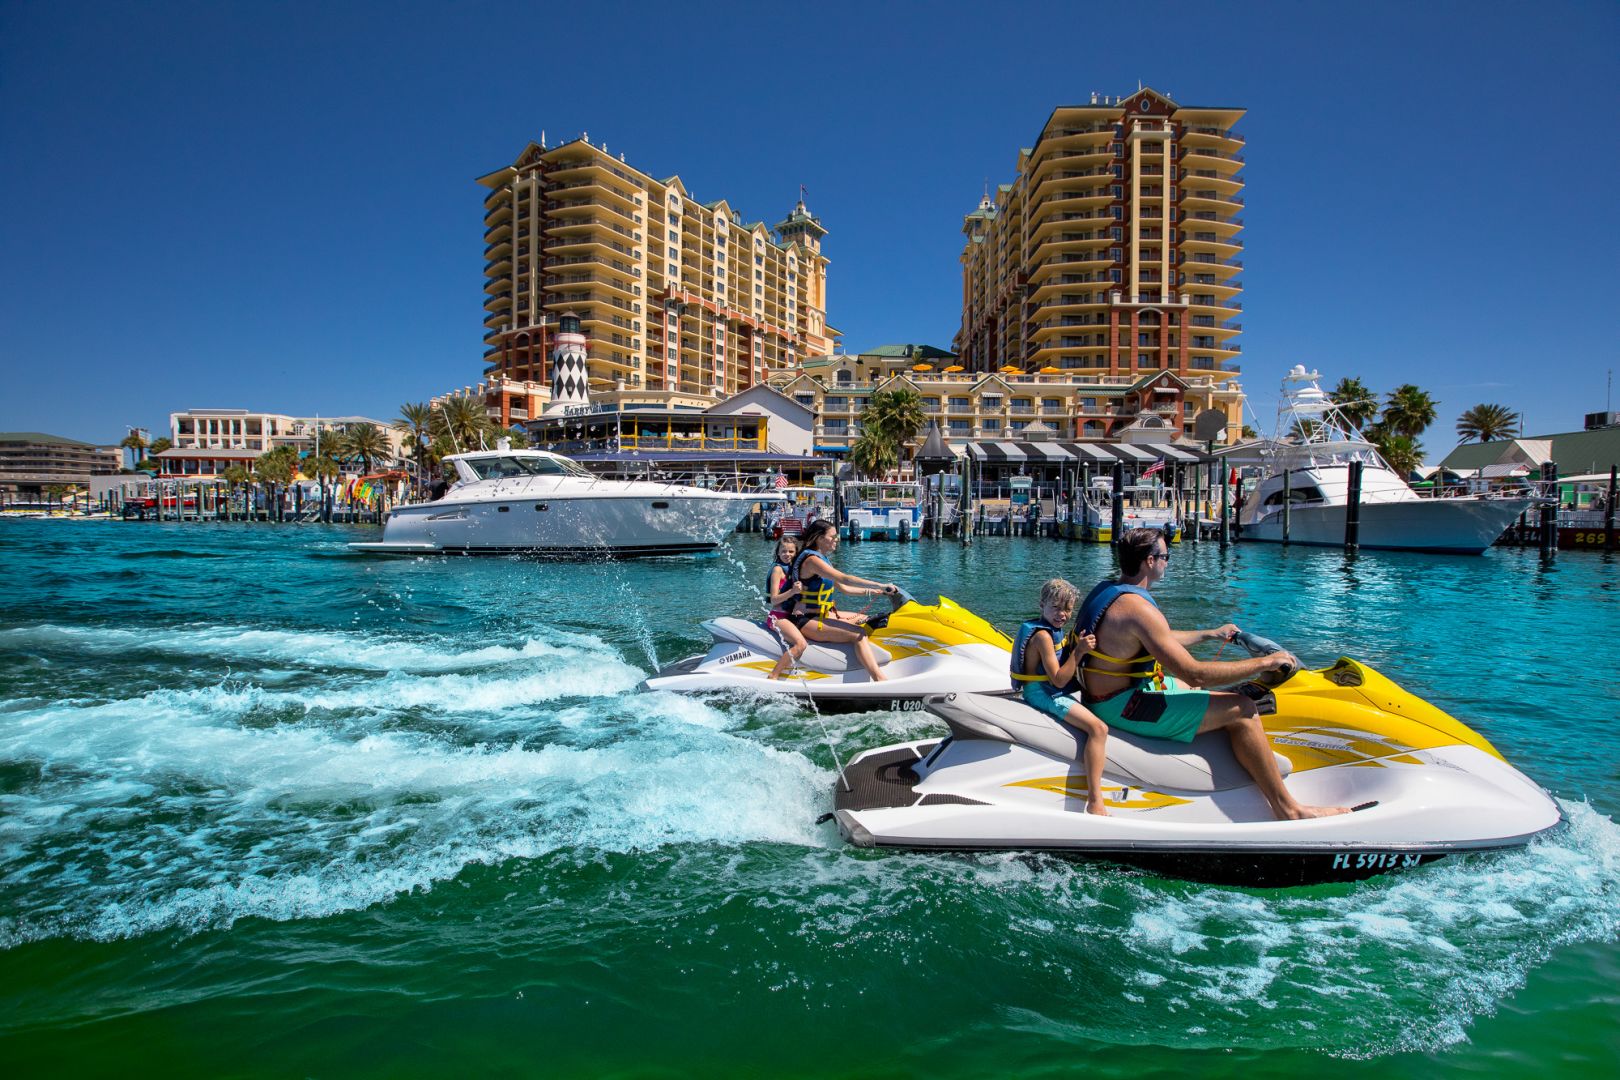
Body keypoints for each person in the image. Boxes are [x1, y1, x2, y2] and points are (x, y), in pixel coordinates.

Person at [1074, 527, 1349, 821]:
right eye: (1165, 555)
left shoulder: (1109, 591)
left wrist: (1209, 634)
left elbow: (1156, 638)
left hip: (1106, 695)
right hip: (1125, 706)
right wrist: (1265, 663)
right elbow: (1197, 675)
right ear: (1149, 561)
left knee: (1187, 688)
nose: (1168, 561)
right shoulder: (1139, 610)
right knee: (1241, 708)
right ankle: (1289, 809)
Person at [1010, 578, 1111, 815]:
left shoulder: (1052, 630)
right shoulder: (1043, 637)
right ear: (1042, 604)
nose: (1062, 614)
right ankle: (1095, 800)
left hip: (1047, 689)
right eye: (1055, 607)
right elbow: (1058, 679)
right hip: (1042, 693)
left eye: (1067, 609)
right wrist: (1079, 651)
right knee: (1099, 729)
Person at [789, 520, 898, 683]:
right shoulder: (812, 560)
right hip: (806, 620)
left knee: (867, 620)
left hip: (824, 615)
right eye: (832, 536)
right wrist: (881, 584)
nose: (836, 540)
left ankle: (868, 664)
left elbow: (845, 589)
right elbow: (845, 578)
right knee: (858, 634)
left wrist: (877, 592)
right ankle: (880, 680)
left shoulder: (823, 559)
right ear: (819, 539)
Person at [764, 534, 811, 680]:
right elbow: (774, 599)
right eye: (783, 551)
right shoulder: (778, 570)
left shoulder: (795, 569)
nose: (787, 555)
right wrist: (793, 591)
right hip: (777, 617)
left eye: (791, 551)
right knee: (801, 644)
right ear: (778, 552)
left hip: (790, 617)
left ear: (796, 552)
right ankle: (774, 675)